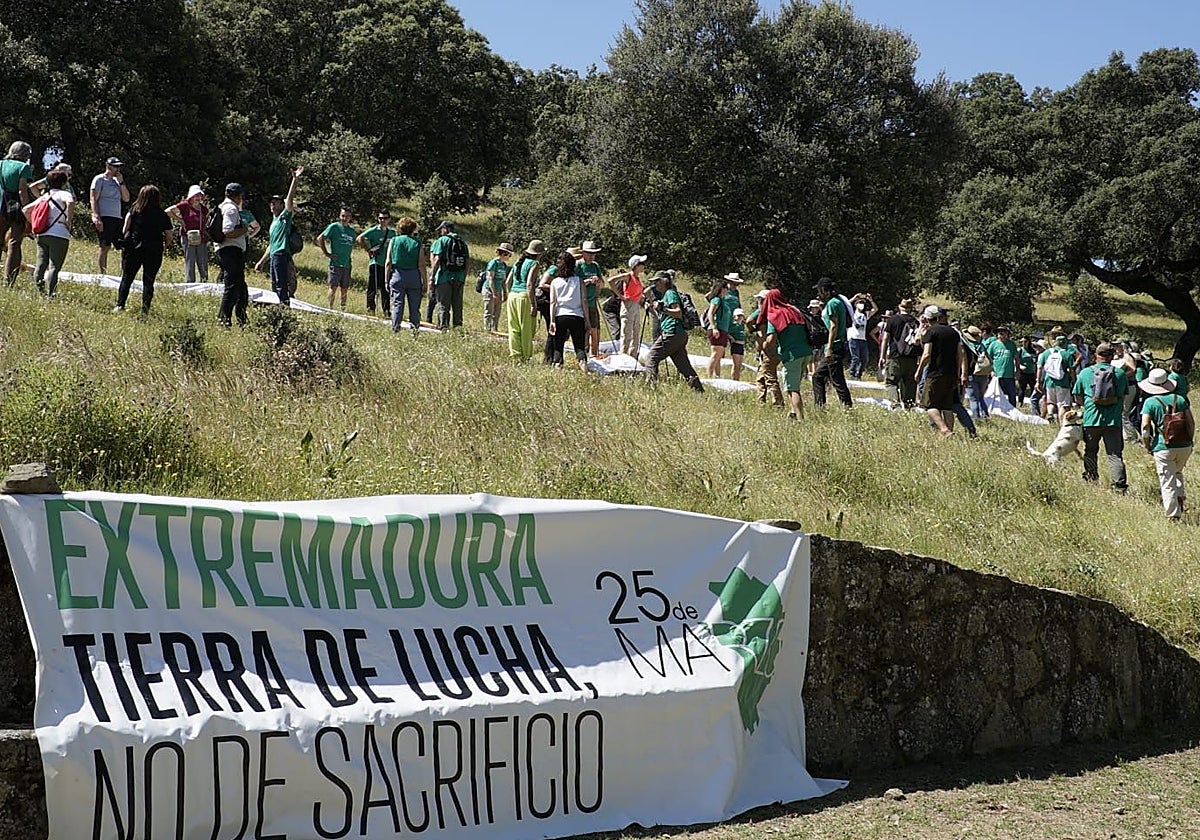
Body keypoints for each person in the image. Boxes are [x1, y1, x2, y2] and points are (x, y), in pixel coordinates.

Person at [1072, 342, 1129, 493]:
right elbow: (1123, 396)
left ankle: (1092, 480)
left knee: (1090, 451)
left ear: (1096, 355)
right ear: (1112, 356)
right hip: (1113, 421)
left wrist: (1088, 404)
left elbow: (1077, 396)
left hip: (1091, 419)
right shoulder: (1120, 374)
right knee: (1115, 455)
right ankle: (1119, 487)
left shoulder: (1085, 373)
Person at [1139, 367, 1193, 520]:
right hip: (1184, 445)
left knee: (1167, 480)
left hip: (1163, 446)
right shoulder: (1180, 399)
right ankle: (1180, 497)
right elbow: (1191, 423)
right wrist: (1190, 441)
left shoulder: (1150, 402)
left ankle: (1173, 515)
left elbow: (1145, 427)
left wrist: (1147, 444)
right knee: (1177, 471)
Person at [113, 185, 173, 314]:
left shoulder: (134, 210)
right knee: (149, 280)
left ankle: (120, 305)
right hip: (154, 249)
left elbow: (125, 228)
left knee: (127, 277)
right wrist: (164, 246)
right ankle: (145, 309)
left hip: (134, 247)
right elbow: (169, 235)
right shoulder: (162, 214)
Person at [644, 271, 703, 392]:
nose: (655, 284)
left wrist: (663, 308)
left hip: (672, 333)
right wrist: (651, 308)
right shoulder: (666, 295)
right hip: (678, 334)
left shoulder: (670, 293)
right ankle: (699, 391)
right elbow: (661, 317)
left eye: (657, 281)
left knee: (651, 357)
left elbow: (678, 312)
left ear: (665, 281)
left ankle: (650, 389)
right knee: (684, 366)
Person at [757, 289, 811, 419]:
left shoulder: (774, 314)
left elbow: (771, 339)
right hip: (806, 352)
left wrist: (764, 346)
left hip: (791, 355)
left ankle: (800, 419)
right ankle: (792, 414)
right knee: (795, 384)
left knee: (793, 389)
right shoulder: (794, 311)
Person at [916, 305, 967, 436]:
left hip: (935, 373)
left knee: (929, 405)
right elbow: (960, 354)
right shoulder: (953, 332)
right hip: (951, 373)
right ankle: (950, 431)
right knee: (947, 406)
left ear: (927, 318)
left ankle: (944, 430)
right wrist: (959, 373)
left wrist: (919, 371)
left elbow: (926, 354)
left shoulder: (931, 332)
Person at [257, 167, 303, 306]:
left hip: (282, 254)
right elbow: (272, 245)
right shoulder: (273, 223)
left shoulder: (284, 218)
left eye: (275, 202)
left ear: (282, 205)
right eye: (271, 202)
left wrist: (295, 180)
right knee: (274, 285)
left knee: (282, 285)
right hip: (274, 256)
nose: (272, 204)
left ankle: (284, 309)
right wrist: (261, 262)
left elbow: (290, 199)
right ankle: (276, 310)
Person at [27, 170, 73, 297]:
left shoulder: (44, 197)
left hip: (43, 234)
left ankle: (40, 292)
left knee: (40, 265)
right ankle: (50, 294)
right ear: (64, 183)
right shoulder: (65, 193)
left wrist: (34, 225)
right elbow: (70, 202)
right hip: (59, 233)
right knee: (54, 267)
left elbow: (26, 210)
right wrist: (68, 221)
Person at [1, 141, 39, 285]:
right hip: (15, 207)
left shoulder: (1, 164)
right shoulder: (23, 167)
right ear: (24, 154)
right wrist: (27, 210)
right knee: (14, 243)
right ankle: (9, 280)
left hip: (1, 203)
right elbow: (22, 191)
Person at [812, 277, 853, 407]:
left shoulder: (832, 304)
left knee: (831, 380)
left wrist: (829, 348)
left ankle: (823, 407)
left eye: (819, 291)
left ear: (825, 290)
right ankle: (845, 407)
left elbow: (833, 326)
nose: (818, 294)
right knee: (827, 378)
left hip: (834, 347)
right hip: (838, 345)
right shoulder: (837, 302)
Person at [215, 183, 250, 327]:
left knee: (241, 289)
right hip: (231, 251)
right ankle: (223, 320)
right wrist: (244, 230)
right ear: (238, 196)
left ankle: (242, 320)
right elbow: (228, 231)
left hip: (228, 251)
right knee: (232, 287)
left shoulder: (223, 206)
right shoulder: (231, 208)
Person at [548, 251, 590, 369]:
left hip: (560, 315)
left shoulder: (555, 282)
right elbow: (584, 300)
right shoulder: (579, 281)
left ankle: (558, 364)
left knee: (559, 344)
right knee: (579, 345)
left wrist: (552, 320)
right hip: (577, 315)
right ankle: (583, 362)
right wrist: (587, 319)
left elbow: (553, 302)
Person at [384, 216, 426, 333]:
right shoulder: (417, 243)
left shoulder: (394, 241)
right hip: (414, 276)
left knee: (397, 304)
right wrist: (425, 282)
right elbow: (422, 264)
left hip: (397, 275)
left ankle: (395, 329)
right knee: (414, 307)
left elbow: (388, 262)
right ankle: (415, 330)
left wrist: (386, 280)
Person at [90, 156, 130, 275]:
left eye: (119, 167)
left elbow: (126, 198)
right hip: (105, 216)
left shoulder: (117, 182)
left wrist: (121, 182)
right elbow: (93, 198)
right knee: (105, 246)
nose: (118, 169)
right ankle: (103, 274)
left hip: (117, 217)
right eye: (115, 166)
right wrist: (96, 216)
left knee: (124, 246)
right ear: (108, 166)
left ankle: (124, 274)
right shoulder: (99, 179)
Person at [506, 240, 544, 361]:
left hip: (512, 295)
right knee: (526, 328)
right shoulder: (534, 263)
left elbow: (507, 282)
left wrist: (509, 294)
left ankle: (515, 355)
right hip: (524, 296)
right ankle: (526, 356)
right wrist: (533, 304)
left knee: (513, 327)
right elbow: (529, 284)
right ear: (539, 254)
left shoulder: (518, 262)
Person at [880, 298, 921, 409]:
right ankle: (909, 406)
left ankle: (895, 405)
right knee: (909, 384)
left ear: (899, 307)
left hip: (895, 356)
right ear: (911, 309)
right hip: (911, 358)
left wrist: (882, 356)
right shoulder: (916, 322)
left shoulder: (893, 320)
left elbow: (885, 338)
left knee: (891, 382)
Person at [429, 220, 469, 330]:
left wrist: (432, 276)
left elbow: (437, 260)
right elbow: (467, 263)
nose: (440, 232)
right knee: (457, 305)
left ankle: (443, 327)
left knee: (443, 305)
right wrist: (463, 277)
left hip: (444, 277)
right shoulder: (462, 243)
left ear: (445, 229)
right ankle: (458, 327)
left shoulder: (442, 241)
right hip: (459, 278)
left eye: (441, 229)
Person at [166, 185, 210, 283]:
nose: (198, 197)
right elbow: (168, 211)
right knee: (190, 260)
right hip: (187, 236)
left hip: (201, 237)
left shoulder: (203, 209)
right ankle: (190, 283)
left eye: (199, 195)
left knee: (203, 261)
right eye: (196, 195)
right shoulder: (185, 205)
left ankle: (205, 282)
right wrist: (180, 220)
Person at [357, 210, 394, 317]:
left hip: (387, 264)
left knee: (386, 288)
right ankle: (371, 309)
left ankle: (386, 311)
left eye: (385, 218)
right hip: (376, 262)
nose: (383, 220)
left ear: (389, 219)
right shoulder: (374, 230)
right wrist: (368, 250)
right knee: (372, 287)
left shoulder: (392, 233)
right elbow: (359, 238)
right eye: (380, 218)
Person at [318, 207, 356, 310]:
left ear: (350, 217)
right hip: (335, 263)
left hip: (347, 264)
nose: (345, 218)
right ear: (339, 216)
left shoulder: (352, 231)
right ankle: (330, 308)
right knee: (333, 287)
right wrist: (327, 253)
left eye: (347, 216)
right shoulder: (334, 227)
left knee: (344, 289)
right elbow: (320, 238)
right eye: (343, 216)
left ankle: (343, 309)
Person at [609, 255, 647, 357]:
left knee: (635, 333)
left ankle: (633, 356)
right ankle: (624, 356)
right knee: (627, 333)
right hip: (628, 305)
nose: (644, 266)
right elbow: (611, 281)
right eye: (641, 264)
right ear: (636, 266)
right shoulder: (628, 276)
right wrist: (620, 295)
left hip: (636, 306)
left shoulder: (638, 278)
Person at [1036, 330, 1077, 420]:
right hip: (1063, 382)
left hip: (1049, 381)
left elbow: (1039, 367)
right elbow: (1072, 371)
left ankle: (1050, 413)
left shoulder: (1046, 353)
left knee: (1051, 401)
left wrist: (1038, 382)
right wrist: (1074, 382)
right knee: (1063, 404)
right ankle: (1061, 422)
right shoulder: (1067, 354)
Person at [578, 241, 605, 355]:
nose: (591, 256)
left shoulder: (595, 266)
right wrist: (588, 281)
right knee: (584, 329)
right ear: (583, 253)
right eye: (589, 253)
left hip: (593, 302)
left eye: (593, 253)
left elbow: (602, 283)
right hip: (580, 303)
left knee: (595, 329)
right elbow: (575, 284)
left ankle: (594, 353)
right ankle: (583, 353)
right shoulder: (578, 265)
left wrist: (598, 283)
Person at [703, 276, 732, 378]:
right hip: (717, 329)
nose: (727, 290)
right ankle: (709, 376)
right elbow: (710, 313)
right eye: (726, 288)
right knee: (715, 354)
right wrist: (714, 327)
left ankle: (717, 376)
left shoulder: (722, 300)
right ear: (722, 289)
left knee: (719, 355)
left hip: (723, 330)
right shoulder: (716, 300)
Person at [985, 325, 1020, 409]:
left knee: (1012, 394)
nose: (1002, 335)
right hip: (997, 374)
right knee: (997, 393)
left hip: (1009, 374)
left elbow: (1016, 358)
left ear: (1007, 334)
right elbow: (988, 358)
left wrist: (1018, 370)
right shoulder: (993, 344)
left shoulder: (1011, 344)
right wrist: (991, 370)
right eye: (1000, 333)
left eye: (1004, 333)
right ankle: (998, 408)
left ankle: (1012, 409)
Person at [481, 243, 512, 332]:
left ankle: (494, 329)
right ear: (504, 253)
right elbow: (490, 278)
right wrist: (494, 293)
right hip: (489, 289)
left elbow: (503, 280)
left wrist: (505, 293)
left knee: (497, 311)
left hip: (498, 290)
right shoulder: (493, 263)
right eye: (509, 255)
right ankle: (487, 329)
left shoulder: (503, 265)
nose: (509, 257)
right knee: (489, 310)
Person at [847, 292, 878, 379]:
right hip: (853, 338)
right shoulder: (852, 314)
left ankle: (859, 374)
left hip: (862, 339)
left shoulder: (865, 314)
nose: (861, 304)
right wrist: (854, 298)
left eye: (863, 303)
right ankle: (852, 374)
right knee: (855, 358)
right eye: (860, 303)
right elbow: (845, 305)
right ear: (856, 305)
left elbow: (875, 309)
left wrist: (871, 300)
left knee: (865, 359)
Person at [723, 273, 746, 379]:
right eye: (733, 283)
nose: (735, 286)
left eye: (736, 284)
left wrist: (741, 315)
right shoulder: (724, 291)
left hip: (735, 318)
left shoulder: (736, 292)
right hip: (726, 318)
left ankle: (735, 377)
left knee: (737, 345)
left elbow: (738, 304)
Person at [1017, 335, 1039, 412]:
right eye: (1022, 342)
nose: (1023, 343)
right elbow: (1016, 361)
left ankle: (1034, 403)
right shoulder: (1020, 350)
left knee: (1033, 388)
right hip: (1023, 373)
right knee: (1022, 389)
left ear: (1029, 342)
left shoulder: (1033, 351)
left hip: (1032, 373)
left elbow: (1036, 361)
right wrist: (1020, 366)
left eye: (1025, 341)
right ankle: (1020, 403)